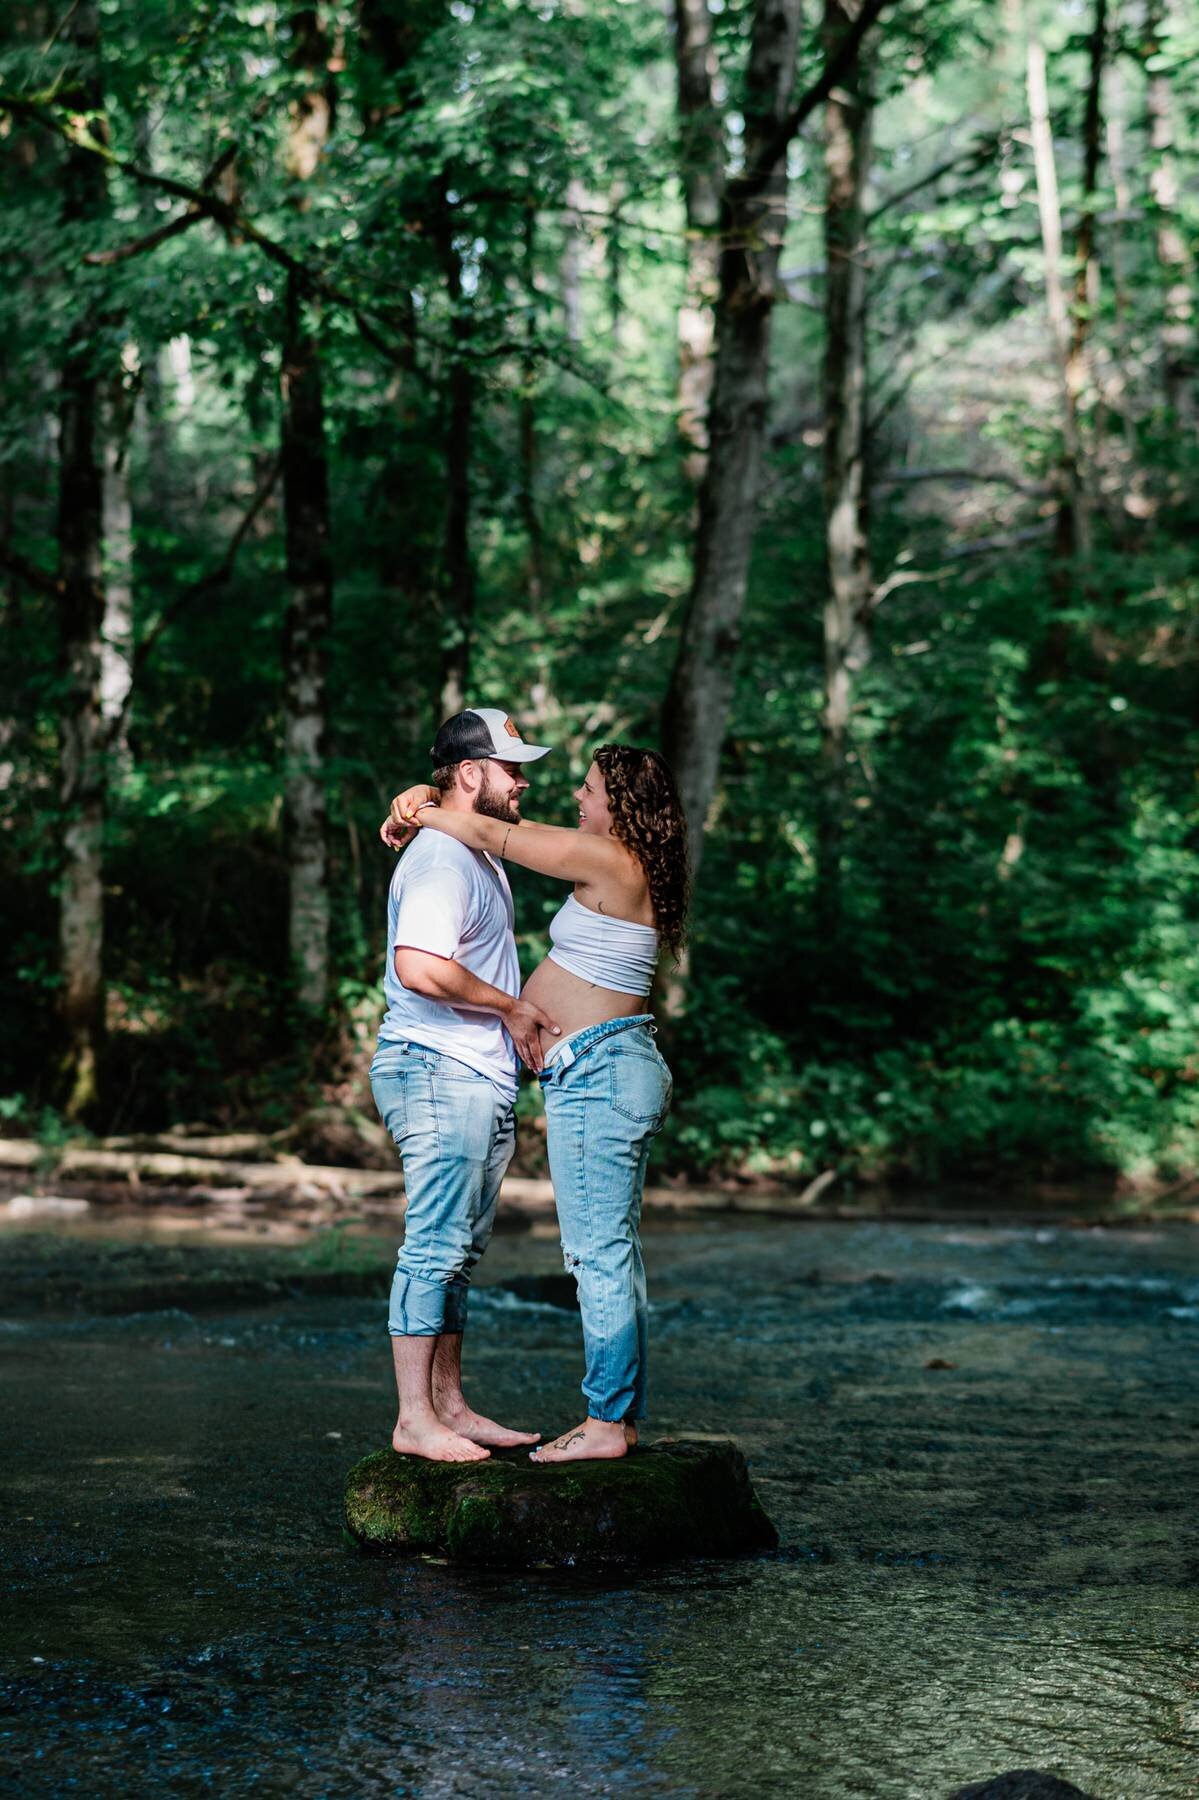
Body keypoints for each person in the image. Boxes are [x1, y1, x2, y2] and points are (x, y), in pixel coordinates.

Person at [383, 741, 689, 1463]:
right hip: (601, 1071)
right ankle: (612, 1418)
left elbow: (492, 832)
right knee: (606, 1254)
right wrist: (422, 797)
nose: (576, 800)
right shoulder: (619, 862)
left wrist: (419, 804)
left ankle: (606, 1424)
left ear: (620, 805)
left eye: (588, 790)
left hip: (603, 1071)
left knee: (598, 1257)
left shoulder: (610, 859)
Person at [370, 707, 562, 1464]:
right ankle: (414, 1419)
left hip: (469, 1074)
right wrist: (512, 1006)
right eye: (510, 767)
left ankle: (448, 1406)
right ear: (470, 773)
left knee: (457, 1251)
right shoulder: (444, 860)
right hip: (435, 1069)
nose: (522, 781)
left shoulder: (468, 848)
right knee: (435, 1246)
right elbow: (419, 966)